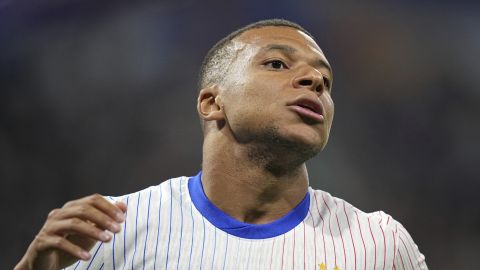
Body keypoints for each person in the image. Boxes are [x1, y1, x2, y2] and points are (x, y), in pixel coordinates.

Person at [14, 19, 428, 270]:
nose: (315, 81)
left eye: (326, 80)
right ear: (213, 103)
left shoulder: (379, 244)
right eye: (277, 64)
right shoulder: (112, 230)